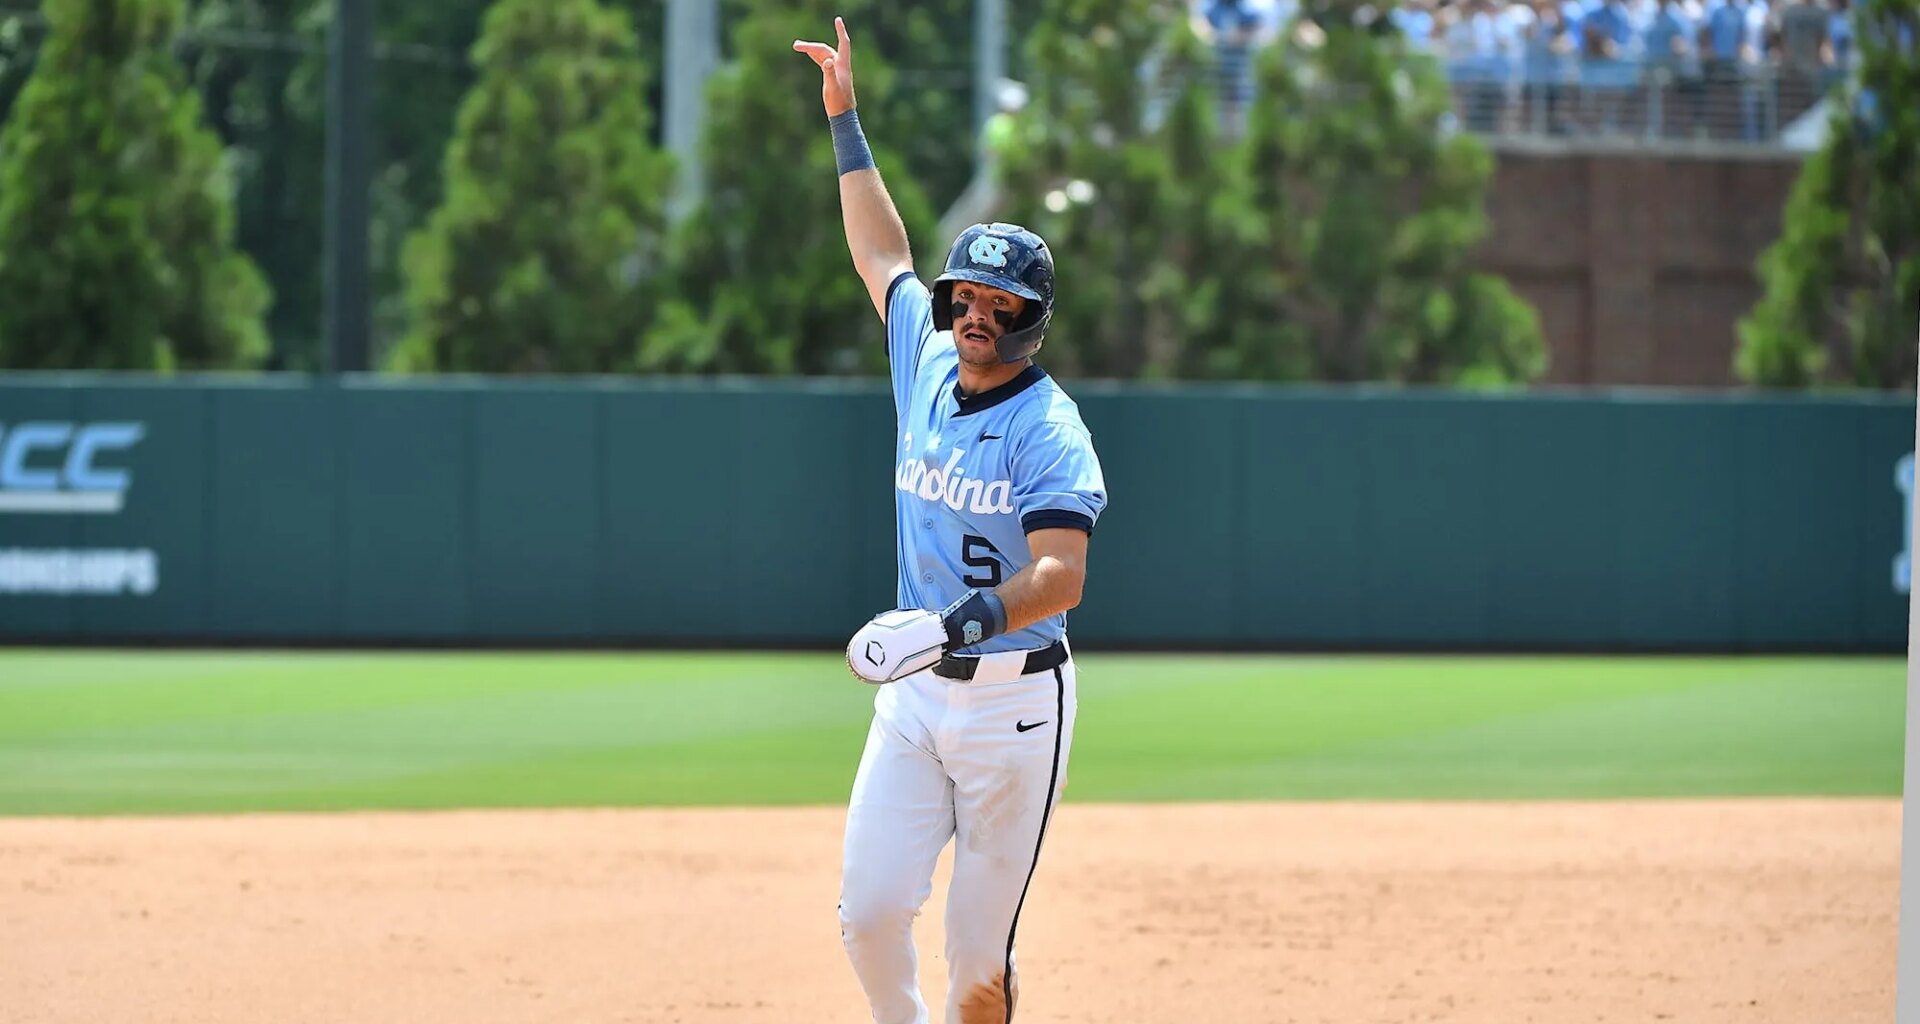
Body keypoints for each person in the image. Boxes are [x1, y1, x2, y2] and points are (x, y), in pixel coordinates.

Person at [794, 18, 1109, 1024]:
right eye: (965, 294)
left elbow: (1061, 575)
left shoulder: (1049, 428)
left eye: (1000, 302)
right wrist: (846, 121)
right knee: (869, 913)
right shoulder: (923, 363)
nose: (976, 312)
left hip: (1016, 707)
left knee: (980, 959)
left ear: (1031, 319)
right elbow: (880, 250)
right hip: (917, 700)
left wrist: (951, 622)